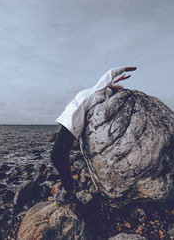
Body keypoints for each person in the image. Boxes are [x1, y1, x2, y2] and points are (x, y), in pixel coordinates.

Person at [49, 66, 137, 203]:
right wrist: (119, 79)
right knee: (59, 156)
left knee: (56, 157)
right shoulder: (97, 91)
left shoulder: (99, 92)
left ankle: (68, 189)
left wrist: (124, 69)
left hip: (71, 124)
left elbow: (109, 74)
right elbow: (110, 83)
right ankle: (68, 188)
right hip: (67, 122)